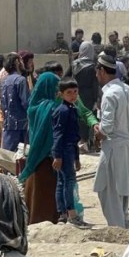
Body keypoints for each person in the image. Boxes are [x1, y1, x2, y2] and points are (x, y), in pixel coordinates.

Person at [95, 53, 129, 229]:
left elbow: (106, 128)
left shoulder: (110, 94)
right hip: (128, 147)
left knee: (108, 191)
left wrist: (97, 131)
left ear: (101, 71)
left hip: (114, 149)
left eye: (97, 71)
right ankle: (125, 225)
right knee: (122, 191)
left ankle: (117, 229)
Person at [20, 72, 62, 225]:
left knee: (33, 202)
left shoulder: (34, 106)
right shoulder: (51, 108)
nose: (58, 92)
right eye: (56, 88)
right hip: (47, 162)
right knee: (45, 205)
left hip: (35, 160)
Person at [53, 78, 88, 227]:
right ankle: (71, 213)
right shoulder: (63, 111)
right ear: (61, 94)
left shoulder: (73, 109)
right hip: (64, 150)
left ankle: (62, 214)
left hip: (69, 149)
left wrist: (77, 158)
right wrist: (57, 155)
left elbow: (74, 136)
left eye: (75, 92)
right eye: (69, 93)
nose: (73, 95)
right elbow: (58, 135)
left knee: (63, 181)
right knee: (68, 181)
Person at [0, 53, 29, 151]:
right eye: (21, 61)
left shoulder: (4, 81)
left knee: (8, 159)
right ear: (17, 62)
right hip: (22, 126)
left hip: (8, 125)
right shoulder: (21, 80)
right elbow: (26, 103)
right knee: (22, 158)